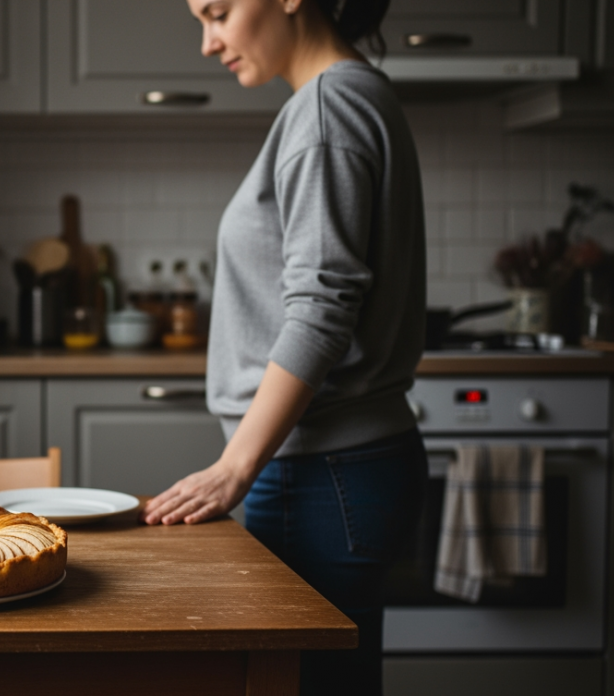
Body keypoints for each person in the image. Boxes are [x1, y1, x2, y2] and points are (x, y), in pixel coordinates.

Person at [141, 1, 427, 694]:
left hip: (320, 472)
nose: (209, 44)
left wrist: (235, 467)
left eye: (218, 12)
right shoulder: (350, 96)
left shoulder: (328, 109)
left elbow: (323, 310)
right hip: (336, 471)